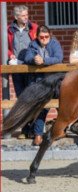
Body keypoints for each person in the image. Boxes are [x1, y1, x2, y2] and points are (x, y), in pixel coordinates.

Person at [24, 25, 63, 146]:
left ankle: (61, 131)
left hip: (55, 81)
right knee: (41, 109)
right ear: (37, 36)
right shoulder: (33, 44)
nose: (44, 39)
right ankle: (38, 135)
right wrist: (34, 59)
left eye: (47, 36)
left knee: (62, 107)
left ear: (50, 36)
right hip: (40, 82)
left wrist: (44, 61)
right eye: (42, 37)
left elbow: (58, 58)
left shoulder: (54, 43)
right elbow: (27, 57)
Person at [7, 5, 38, 139]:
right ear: (16, 17)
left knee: (32, 97)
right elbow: (5, 46)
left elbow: (39, 44)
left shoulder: (33, 27)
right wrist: (10, 55)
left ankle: (34, 130)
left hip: (31, 68)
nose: (26, 17)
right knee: (22, 98)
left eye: (27, 15)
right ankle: (25, 130)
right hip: (17, 68)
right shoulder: (8, 30)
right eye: (23, 15)